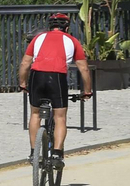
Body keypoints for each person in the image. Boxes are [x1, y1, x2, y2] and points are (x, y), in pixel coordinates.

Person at [18, 12, 93, 171]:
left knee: (35, 114)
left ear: (49, 26)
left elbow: (25, 63)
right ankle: (57, 154)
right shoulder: (72, 41)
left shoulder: (38, 38)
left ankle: (33, 153)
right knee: (60, 117)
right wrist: (87, 91)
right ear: (66, 27)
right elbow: (84, 69)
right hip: (57, 78)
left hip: (37, 77)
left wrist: (23, 83)